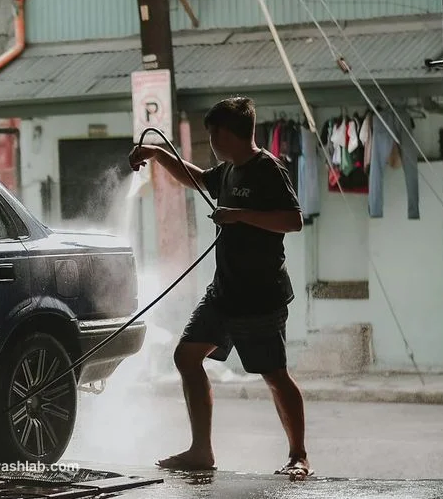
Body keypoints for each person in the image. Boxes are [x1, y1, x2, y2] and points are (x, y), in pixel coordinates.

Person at [129, 96, 311, 478]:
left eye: (213, 133)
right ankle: (201, 451)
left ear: (228, 133)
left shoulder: (267, 169)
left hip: (260, 296)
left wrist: (240, 215)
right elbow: (196, 177)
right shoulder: (228, 171)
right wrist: (160, 155)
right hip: (224, 292)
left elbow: (293, 221)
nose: (210, 140)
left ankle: (298, 455)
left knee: (274, 374)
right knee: (186, 356)